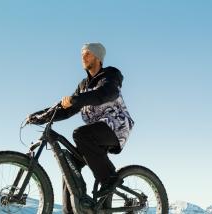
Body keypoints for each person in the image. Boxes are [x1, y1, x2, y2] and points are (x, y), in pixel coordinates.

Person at [25, 42, 134, 213]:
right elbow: (67, 110)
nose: (83, 57)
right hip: (95, 134)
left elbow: (105, 93)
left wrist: (76, 99)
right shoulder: (84, 85)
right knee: (69, 166)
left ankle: (109, 179)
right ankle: (72, 210)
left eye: (88, 54)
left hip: (116, 127)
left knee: (80, 134)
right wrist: (39, 116)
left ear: (98, 58)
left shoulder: (110, 76)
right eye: (82, 54)